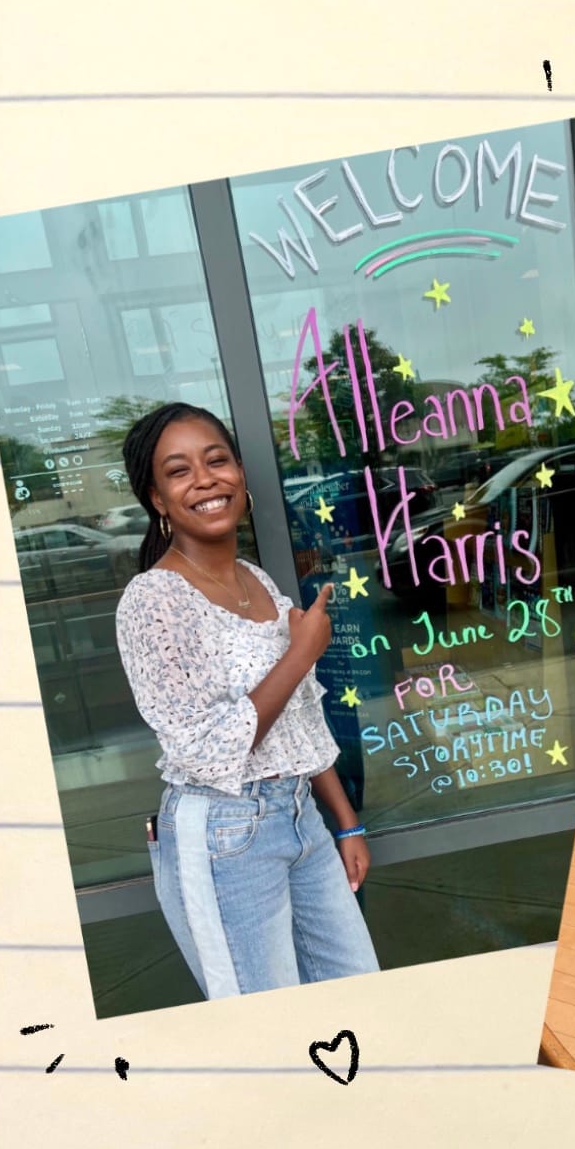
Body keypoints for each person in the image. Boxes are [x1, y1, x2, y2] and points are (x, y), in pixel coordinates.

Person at [113, 403, 378, 1001]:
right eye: (179, 471)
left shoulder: (257, 579)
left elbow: (302, 717)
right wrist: (301, 652)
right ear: (157, 499)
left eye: (217, 460)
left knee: (357, 990)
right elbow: (206, 751)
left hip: (300, 814)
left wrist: (345, 822)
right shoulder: (152, 601)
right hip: (222, 829)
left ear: (240, 475)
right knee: (265, 1020)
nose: (205, 480)